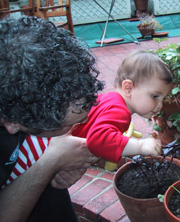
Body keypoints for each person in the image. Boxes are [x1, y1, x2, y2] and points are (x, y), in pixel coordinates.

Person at [0, 16, 104, 222]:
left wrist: (58, 163)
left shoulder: (18, 102)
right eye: (68, 124)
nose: (81, 124)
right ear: (13, 123)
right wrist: (51, 160)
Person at [72, 51, 173, 163]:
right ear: (128, 88)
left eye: (163, 98)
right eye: (155, 96)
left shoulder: (110, 99)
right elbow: (97, 140)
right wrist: (140, 146)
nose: (160, 105)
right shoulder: (120, 111)